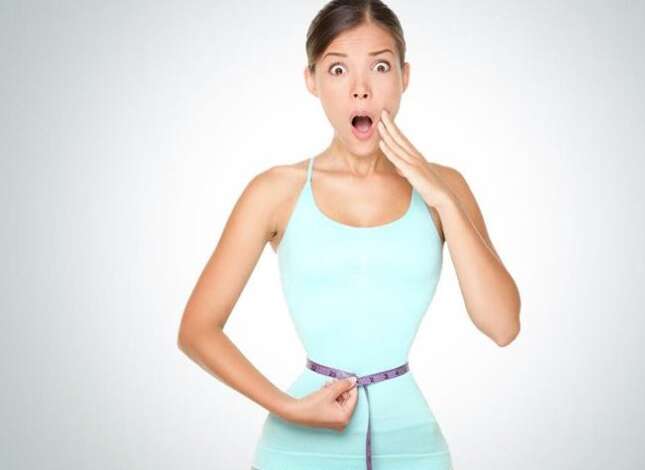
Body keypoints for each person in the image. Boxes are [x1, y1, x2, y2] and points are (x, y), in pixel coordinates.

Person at [177, 1, 521, 469]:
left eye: (380, 67)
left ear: (404, 76)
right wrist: (289, 407)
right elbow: (197, 331)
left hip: (414, 450)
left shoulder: (446, 188)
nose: (361, 89)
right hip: (297, 449)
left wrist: (442, 199)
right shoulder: (275, 191)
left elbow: (502, 326)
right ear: (312, 80)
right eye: (338, 70)